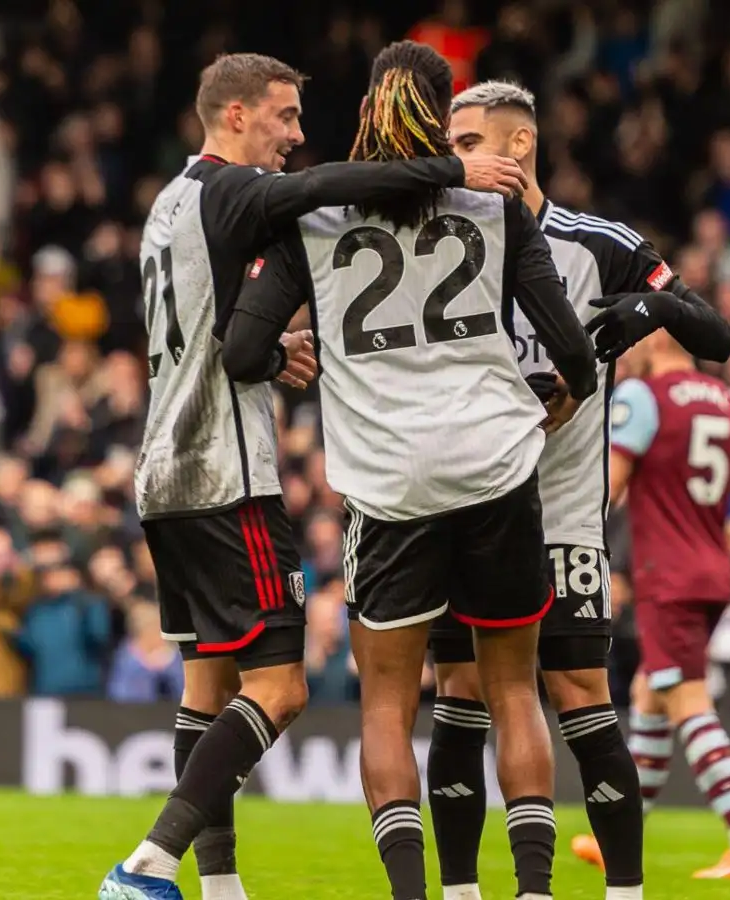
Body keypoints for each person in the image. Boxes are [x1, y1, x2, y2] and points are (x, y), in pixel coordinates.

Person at [101, 50, 526, 900]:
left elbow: (224, 335)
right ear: (233, 117)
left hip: (164, 474)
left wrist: (272, 352)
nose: (295, 138)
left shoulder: (168, 205)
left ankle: (219, 886)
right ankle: (147, 864)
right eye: (284, 117)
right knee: (282, 688)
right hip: (226, 470)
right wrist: (454, 167)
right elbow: (324, 189)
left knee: (207, 687)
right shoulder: (227, 187)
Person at [224, 42, 595, 900]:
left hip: (388, 482)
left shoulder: (311, 221)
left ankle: (409, 895)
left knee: (387, 706)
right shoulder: (494, 206)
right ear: (440, 114)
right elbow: (570, 344)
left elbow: (244, 349)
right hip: (495, 468)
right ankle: (534, 891)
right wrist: (561, 398)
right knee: (511, 690)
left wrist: (290, 355)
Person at [426, 80, 730, 900]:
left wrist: (646, 306)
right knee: (457, 693)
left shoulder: (594, 243)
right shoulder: (439, 242)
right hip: (460, 509)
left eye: (463, 143)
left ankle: (625, 892)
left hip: (561, 518)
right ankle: (459, 891)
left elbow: (718, 336)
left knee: (579, 698)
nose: (447, 157)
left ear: (517, 145)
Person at [597, 326, 730, 880]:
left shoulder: (642, 398)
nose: (624, 348)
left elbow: (608, 486)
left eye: (632, 338)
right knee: (649, 692)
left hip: (666, 577)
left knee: (686, 700)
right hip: (714, 571)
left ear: (658, 340)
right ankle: (622, 833)